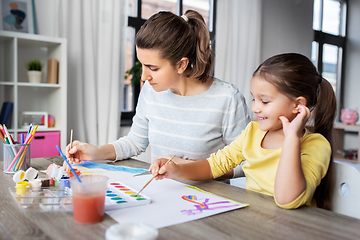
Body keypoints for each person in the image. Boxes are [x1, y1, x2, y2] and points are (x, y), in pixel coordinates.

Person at [66, 10, 250, 179]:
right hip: (160, 194)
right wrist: (96, 152)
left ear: (181, 65)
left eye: (152, 68)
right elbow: (135, 142)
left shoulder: (227, 98)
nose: (144, 76)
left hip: (206, 203)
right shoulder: (150, 91)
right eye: (142, 64)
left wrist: (189, 168)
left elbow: (247, 163)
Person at [150, 53, 337, 210]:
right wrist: (176, 169)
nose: (254, 108)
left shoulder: (316, 145)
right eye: (253, 99)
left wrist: (292, 138)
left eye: (264, 101)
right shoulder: (252, 132)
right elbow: (213, 166)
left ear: (298, 105)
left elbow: (287, 200)